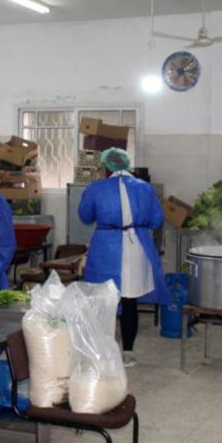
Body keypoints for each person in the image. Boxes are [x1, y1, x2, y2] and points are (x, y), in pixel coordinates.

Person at [78, 148, 170, 368]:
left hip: (105, 246)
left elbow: (85, 216)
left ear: (106, 167)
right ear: (128, 165)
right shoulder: (145, 188)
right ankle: (128, 352)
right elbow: (157, 219)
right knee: (130, 302)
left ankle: (102, 352)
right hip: (136, 246)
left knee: (103, 301)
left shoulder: (96, 188)